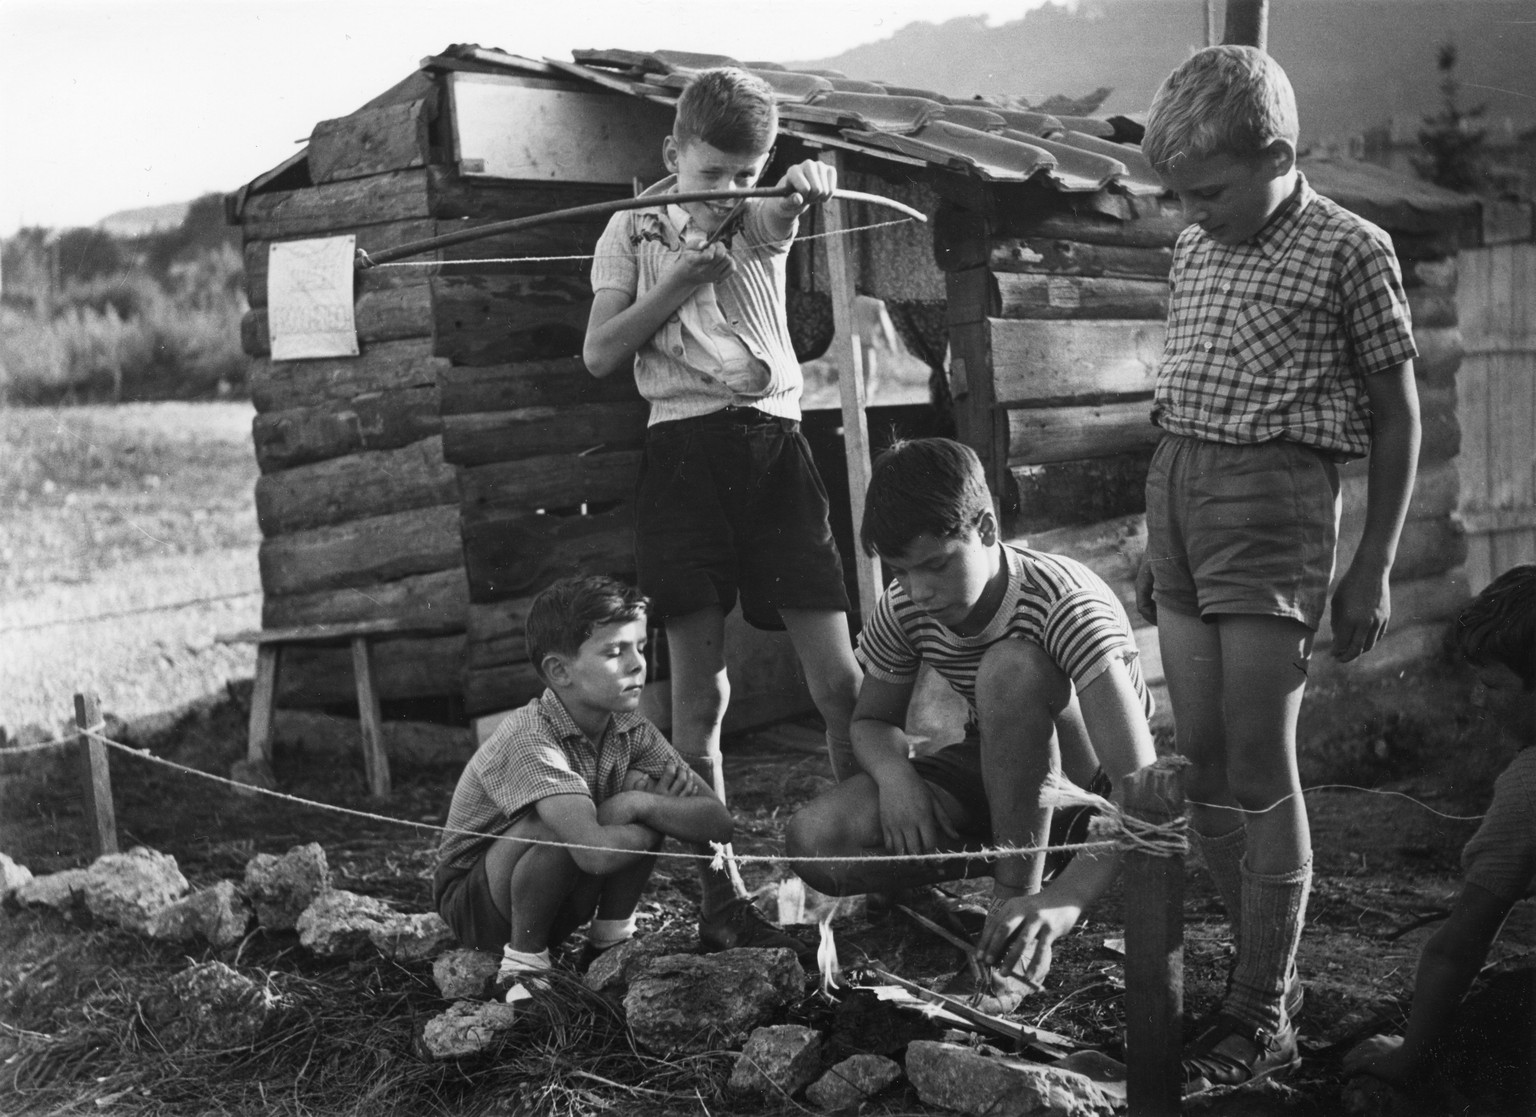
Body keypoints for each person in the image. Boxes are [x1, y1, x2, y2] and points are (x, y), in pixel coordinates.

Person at [1138, 45, 1422, 1088]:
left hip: (1276, 503)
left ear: (1276, 154)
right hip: (1178, 492)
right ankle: (1268, 964)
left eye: (1208, 191)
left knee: (1260, 763)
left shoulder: (1351, 247)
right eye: (1180, 195)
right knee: (1201, 759)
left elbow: (1396, 415)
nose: (1194, 211)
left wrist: (1377, 562)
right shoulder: (1196, 247)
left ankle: (1260, 1012)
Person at [583, 67, 862, 955]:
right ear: (673, 154)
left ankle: (864, 867)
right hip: (682, 454)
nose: (728, 191)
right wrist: (674, 284)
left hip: (775, 450)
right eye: (710, 174)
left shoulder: (757, 213)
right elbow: (600, 353)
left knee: (837, 677)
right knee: (698, 693)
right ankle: (719, 887)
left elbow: (780, 216)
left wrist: (801, 187)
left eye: (748, 172)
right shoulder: (626, 229)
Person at [785, 437, 1158, 1013]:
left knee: (1008, 667)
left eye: (935, 565)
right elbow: (870, 721)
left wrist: (1067, 902)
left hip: (1092, 792)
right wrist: (896, 777)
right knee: (816, 842)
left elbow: (1146, 788)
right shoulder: (906, 602)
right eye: (901, 571)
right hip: (1006, 768)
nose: (919, 590)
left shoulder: (1065, 602)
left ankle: (1018, 909)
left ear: (985, 529)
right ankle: (1004, 876)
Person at [433, 575, 734, 1000]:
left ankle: (607, 941)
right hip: (477, 906)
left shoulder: (631, 728)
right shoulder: (530, 736)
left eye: (641, 648)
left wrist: (641, 801)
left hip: (552, 889)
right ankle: (523, 965)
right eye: (614, 652)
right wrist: (638, 805)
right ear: (559, 671)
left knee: (645, 800)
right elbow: (593, 852)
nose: (637, 665)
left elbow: (719, 823)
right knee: (565, 821)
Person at [1343, 566, 1536, 1100]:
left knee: (1492, 1019)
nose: (1478, 701)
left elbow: (1460, 946)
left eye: (1493, 684)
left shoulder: (1529, 785)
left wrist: (1410, 1054)